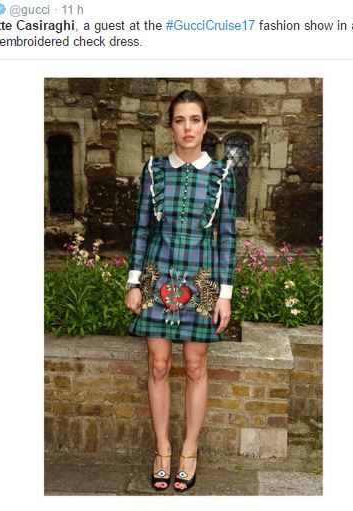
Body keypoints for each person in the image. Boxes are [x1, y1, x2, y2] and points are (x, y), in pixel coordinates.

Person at [124, 89, 236, 492]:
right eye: (179, 120)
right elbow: (141, 228)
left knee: (194, 366)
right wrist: (134, 282)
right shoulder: (154, 170)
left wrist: (225, 294)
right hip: (157, 276)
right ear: (170, 126)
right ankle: (163, 449)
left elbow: (227, 236)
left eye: (195, 120)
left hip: (201, 280)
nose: (187, 128)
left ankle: (189, 449)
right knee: (157, 365)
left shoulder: (222, 174)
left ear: (205, 126)